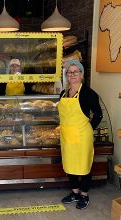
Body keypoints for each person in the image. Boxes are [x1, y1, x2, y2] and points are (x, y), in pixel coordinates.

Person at [57, 60, 103, 209]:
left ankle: (84, 195)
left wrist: (89, 128)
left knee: (83, 167)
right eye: (69, 72)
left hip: (82, 137)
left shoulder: (88, 94)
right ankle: (75, 192)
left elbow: (98, 115)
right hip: (67, 137)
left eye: (75, 72)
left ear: (81, 74)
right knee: (70, 165)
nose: (72, 75)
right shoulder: (63, 93)